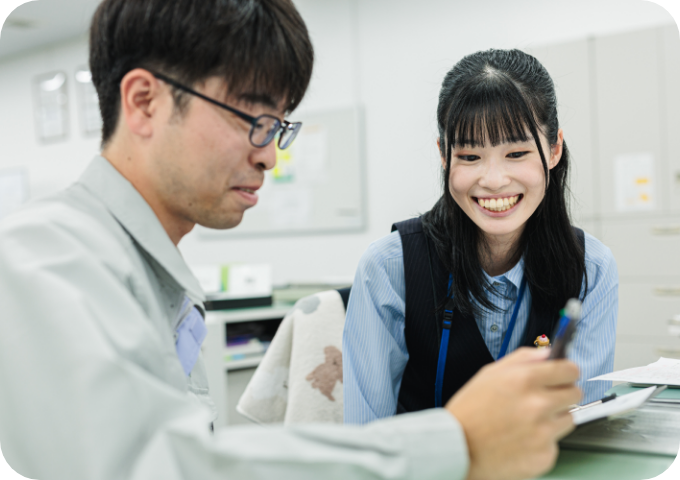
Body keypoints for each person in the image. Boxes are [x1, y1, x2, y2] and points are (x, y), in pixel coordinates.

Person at [0, 2, 580, 480]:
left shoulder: (146, 272)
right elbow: (148, 467)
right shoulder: (46, 258)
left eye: (279, 126)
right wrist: (456, 441)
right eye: (251, 118)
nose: (269, 155)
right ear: (145, 101)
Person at [343, 49, 618, 424]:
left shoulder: (591, 267)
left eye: (517, 153)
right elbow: (366, 440)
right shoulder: (390, 267)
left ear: (554, 149)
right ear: (444, 155)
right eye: (470, 156)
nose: (493, 180)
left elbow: (579, 423)